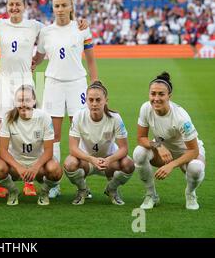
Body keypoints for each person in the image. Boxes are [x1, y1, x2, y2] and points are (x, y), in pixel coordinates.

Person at [0, 0, 89, 199]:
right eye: (11, 5)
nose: (14, 8)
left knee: (30, 127)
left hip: (26, 81)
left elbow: (58, 34)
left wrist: (80, 22)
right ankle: (3, 184)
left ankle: (31, 182)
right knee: (3, 128)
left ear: (25, 6)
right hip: (4, 82)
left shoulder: (37, 27)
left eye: (18, 4)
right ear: (6, 7)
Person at [32, 0, 98, 198]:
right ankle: (55, 183)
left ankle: (82, 184)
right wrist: (30, 63)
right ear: (52, 9)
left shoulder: (81, 29)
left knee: (80, 133)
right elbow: (40, 56)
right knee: (54, 135)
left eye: (63, 5)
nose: (60, 9)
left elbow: (90, 59)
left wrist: (95, 81)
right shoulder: (46, 32)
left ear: (71, 7)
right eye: (56, 6)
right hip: (53, 84)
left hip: (77, 84)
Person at [133, 72, 206, 210]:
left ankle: (190, 193)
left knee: (195, 168)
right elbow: (141, 138)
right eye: (153, 94)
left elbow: (194, 150)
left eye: (161, 94)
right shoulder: (145, 108)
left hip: (187, 152)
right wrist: (158, 145)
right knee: (139, 153)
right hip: (163, 151)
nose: (156, 98)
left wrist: (171, 165)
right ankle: (151, 195)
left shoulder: (181, 117)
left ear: (169, 96)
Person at [0, 85, 62, 206]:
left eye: (27, 100)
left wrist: (35, 167)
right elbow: (2, 151)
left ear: (34, 101)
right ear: (15, 102)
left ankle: (44, 192)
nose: (23, 104)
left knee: (55, 170)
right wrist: (19, 167)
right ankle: (13, 191)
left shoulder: (44, 118)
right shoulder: (8, 118)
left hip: (38, 165)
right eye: (20, 100)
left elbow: (49, 151)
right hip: (15, 165)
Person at [64, 81, 134, 205]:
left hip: (109, 162)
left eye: (98, 100)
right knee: (69, 163)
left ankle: (112, 189)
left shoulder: (115, 118)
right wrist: (91, 159)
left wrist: (109, 160)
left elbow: (124, 149)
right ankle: (82, 190)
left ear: (106, 100)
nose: (94, 104)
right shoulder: (78, 116)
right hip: (86, 161)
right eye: (91, 100)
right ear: (86, 100)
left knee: (128, 164)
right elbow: (73, 148)